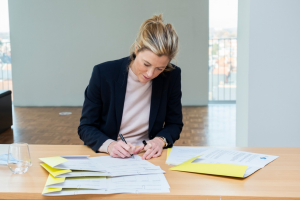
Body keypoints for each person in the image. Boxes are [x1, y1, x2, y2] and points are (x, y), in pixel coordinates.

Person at [78, 14, 183, 160]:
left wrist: (160, 140)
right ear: (136, 49)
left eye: (160, 68)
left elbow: (174, 123)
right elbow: (86, 127)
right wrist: (110, 145)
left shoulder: (171, 76)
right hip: (111, 156)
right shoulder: (103, 74)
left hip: (149, 156)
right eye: (146, 64)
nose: (150, 73)